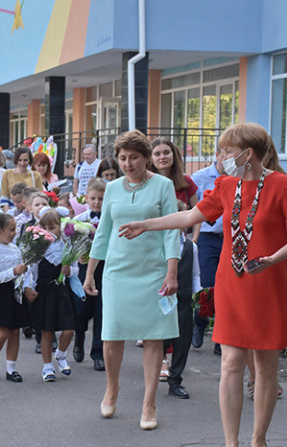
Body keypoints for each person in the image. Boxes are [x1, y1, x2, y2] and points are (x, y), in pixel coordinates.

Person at [119, 122, 287, 447]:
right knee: (231, 362)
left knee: (266, 369)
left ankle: (259, 439)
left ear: (247, 154)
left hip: (269, 283)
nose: (221, 158)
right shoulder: (225, 186)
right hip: (234, 283)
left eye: (226, 151)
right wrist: (146, 224)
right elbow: (191, 215)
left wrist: (272, 258)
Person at [82, 130, 180, 431]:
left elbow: (172, 230)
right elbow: (104, 232)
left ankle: (149, 402)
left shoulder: (163, 186)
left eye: (133, 158)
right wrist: (90, 271)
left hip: (153, 271)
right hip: (117, 271)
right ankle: (113, 386)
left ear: (146, 157)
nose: (127, 163)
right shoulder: (111, 188)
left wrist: (172, 271)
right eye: (123, 158)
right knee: (111, 334)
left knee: (154, 335)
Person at [24, 209, 77, 382]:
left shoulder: (67, 245)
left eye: (52, 227)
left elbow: (75, 268)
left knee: (69, 329)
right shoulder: (39, 246)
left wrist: (69, 270)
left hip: (61, 290)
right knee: (46, 330)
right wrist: (29, 288)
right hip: (44, 290)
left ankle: (61, 355)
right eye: (45, 228)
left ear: (61, 228)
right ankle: (47, 366)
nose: (49, 231)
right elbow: (31, 270)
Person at [162, 200, 200, 399]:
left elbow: (195, 274)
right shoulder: (158, 245)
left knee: (182, 342)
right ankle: (155, 371)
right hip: (162, 302)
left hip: (184, 300)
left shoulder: (190, 247)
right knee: (160, 340)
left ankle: (175, 380)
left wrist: (198, 294)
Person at [0, 212, 29, 382]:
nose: (15, 233)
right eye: (11, 230)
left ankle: (11, 368)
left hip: (15, 291)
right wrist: (13, 271)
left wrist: (27, 286)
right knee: (2, 332)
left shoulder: (15, 248)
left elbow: (23, 271)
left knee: (14, 332)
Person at [190, 149, 224, 354]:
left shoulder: (240, 179)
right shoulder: (200, 178)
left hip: (231, 238)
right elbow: (192, 212)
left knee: (227, 289)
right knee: (209, 286)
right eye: (225, 154)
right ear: (217, 154)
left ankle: (221, 338)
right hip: (208, 237)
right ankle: (200, 322)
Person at [74, 178, 107, 371]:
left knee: (101, 311)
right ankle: (79, 338)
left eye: (101, 199)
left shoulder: (109, 220)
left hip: (104, 268)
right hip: (84, 268)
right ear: (86, 198)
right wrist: (77, 255)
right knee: (82, 309)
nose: (96, 202)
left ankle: (98, 353)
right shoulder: (79, 220)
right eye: (93, 198)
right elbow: (70, 243)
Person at [150, 138, 198, 209]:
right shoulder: (145, 183)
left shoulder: (186, 181)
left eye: (166, 153)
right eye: (157, 154)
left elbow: (196, 214)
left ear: (174, 155)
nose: (162, 157)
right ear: (150, 158)